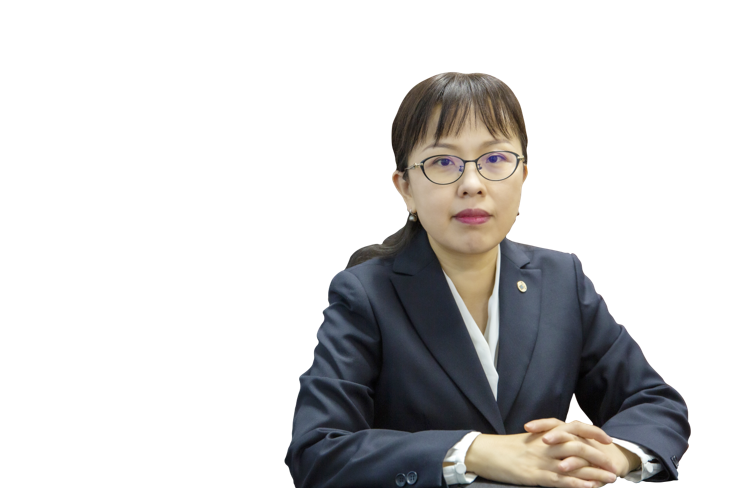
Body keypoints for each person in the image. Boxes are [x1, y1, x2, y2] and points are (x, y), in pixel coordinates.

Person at [284, 72, 689, 488]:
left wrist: (615, 454)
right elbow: (317, 450)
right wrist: (473, 451)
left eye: (495, 159)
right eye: (443, 162)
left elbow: (655, 402)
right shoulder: (364, 294)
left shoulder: (562, 280)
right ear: (405, 188)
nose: (472, 185)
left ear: (523, 174)